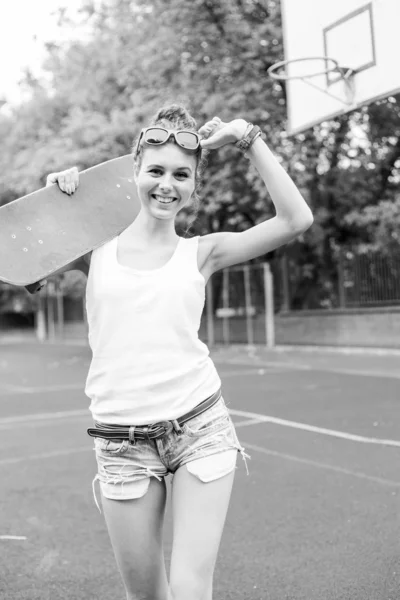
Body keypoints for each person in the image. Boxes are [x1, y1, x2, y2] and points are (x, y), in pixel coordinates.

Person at [46, 104, 313, 600]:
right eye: (156, 171)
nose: (167, 184)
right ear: (135, 174)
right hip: (121, 441)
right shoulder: (93, 250)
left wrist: (245, 135)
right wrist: (56, 199)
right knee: (147, 596)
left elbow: (296, 219)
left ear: (194, 186)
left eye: (181, 175)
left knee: (191, 590)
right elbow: (20, 257)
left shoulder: (203, 251)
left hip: (199, 429)